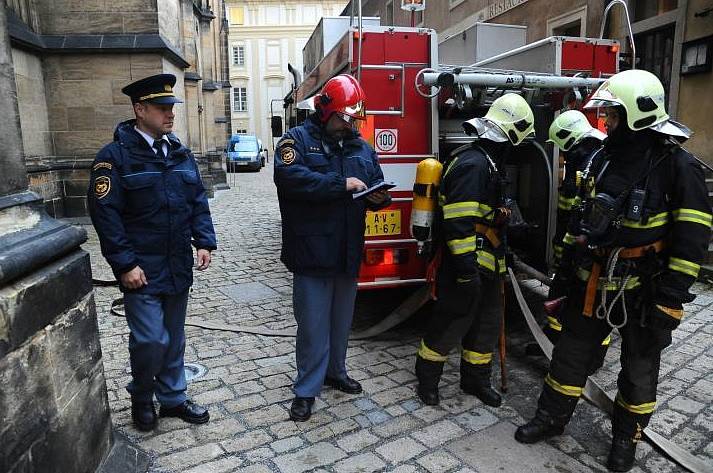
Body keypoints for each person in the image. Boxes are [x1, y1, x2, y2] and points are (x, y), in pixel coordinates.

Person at [515, 69, 711, 473]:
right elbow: (582, 224)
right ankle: (551, 418)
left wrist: (670, 301)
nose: (607, 123)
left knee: (639, 370)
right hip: (593, 280)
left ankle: (625, 438)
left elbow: (692, 243)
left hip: (647, 289)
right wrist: (565, 278)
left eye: (614, 115)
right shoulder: (604, 158)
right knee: (569, 356)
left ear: (639, 115)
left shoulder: (678, 167)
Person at [88, 74, 217, 431]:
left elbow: (196, 200)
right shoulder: (114, 158)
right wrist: (125, 263)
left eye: (171, 107)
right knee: (151, 338)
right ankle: (142, 396)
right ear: (139, 109)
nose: (170, 114)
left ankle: (174, 399)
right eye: (161, 108)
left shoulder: (178, 152)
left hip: (176, 264)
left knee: (174, 337)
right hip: (141, 270)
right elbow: (105, 214)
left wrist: (203, 240)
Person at [274, 74, 391, 422]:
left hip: (347, 251)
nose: (350, 123)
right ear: (326, 111)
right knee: (312, 325)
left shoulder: (360, 146)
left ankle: (335, 372)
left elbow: (372, 181)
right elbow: (290, 179)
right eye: (344, 117)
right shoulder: (296, 140)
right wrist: (340, 184)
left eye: (354, 117)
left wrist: (378, 199)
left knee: (341, 322)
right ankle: (306, 389)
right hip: (311, 253)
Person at [415, 93, 535, 407]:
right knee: (450, 322)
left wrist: (505, 251)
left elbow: (492, 218)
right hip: (464, 265)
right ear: (510, 133)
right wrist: (467, 271)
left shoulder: (490, 163)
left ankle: (475, 380)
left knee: (486, 324)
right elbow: (458, 222)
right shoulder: (473, 165)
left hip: (488, 262)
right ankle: (427, 381)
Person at [542, 110, 611, 368]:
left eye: (562, 147)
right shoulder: (594, 156)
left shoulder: (586, 162)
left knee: (575, 302)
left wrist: (565, 255)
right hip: (584, 250)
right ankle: (566, 347)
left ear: (569, 139)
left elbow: (575, 214)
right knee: (581, 303)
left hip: (581, 252)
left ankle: (572, 353)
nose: (561, 154)